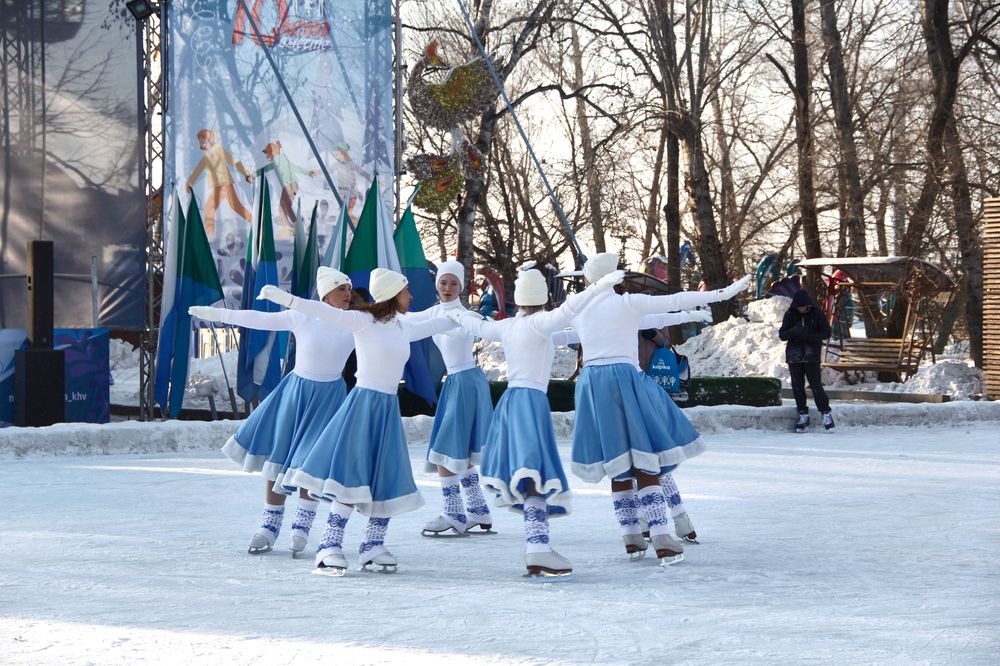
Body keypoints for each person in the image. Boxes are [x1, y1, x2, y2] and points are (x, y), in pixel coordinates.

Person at [258, 269, 456, 576]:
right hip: (363, 405)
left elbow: (439, 321)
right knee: (352, 473)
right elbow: (320, 309)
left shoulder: (402, 325)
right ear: (393, 294)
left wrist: (469, 317)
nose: (412, 296)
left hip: (387, 408)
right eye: (406, 291)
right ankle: (328, 546)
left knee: (385, 474)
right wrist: (286, 299)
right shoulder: (362, 321)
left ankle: (372, 545)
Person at [566, 253, 749, 566]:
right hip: (625, 381)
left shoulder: (577, 309)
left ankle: (631, 536)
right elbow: (671, 303)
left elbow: (554, 333)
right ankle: (663, 536)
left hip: (591, 386)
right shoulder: (625, 304)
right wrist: (720, 295)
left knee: (616, 460)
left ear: (587, 280)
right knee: (644, 458)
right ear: (616, 279)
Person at [449, 268, 626, 580]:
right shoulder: (542, 322)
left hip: (511, 402)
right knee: (534, 473)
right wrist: (599, 286)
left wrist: (453, 313)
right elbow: (571, 308)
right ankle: (537, 549)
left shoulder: (508, 326)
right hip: (531, 402)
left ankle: (538, 547)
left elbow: (474, 323)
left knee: (531, 473)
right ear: (543, 297)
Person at [188, 267, 355, 557]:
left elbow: (398, 324)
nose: (348, 294)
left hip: (330, 398)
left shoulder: (355, 322)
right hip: (296, 393)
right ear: (326, 292)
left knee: (310, 461)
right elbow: (259, 319)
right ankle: (270, 523)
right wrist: (220, 315)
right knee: (279, 455)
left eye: (349, 289)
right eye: (342, 288)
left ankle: (302, 524)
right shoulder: (303, 315)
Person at [554, 307, 711, 555]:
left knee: (644, 460)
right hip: (629, 385)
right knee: (644, 460)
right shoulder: (607, 313)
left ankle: (665, 523)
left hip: (641, 384)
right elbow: (575, 341)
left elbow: (664, 339)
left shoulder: (631, 310)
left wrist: (651, 333)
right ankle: (654, 526)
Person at [404, 261, 495, 537]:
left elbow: (489, 329)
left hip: (466, 382)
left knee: (445, 449)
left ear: (461, 286)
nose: (447, 288)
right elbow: (406, 320)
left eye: (453, 283)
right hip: (457, 382)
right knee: (458, 449)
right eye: (443, 282)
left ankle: (454, 513)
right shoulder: (435, 312)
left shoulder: (466, 316)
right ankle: (479, 511)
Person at [779, 289, 834, 432]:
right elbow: (782, 335)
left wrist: (810, 336)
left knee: (816, 385)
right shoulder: (790, 314)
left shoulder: (817, 314)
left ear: (808, 305)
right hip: (794, 356)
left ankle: (825, 412)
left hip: (811, 356)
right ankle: (803, 413)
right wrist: (794, 332)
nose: (800, 309)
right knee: (797, 386)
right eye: (798, 307)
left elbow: (826, 332)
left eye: (802, 307)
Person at [185, 129, 253, 236]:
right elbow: (199, 168)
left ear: (209, 140)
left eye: (203, 141)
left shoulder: (218, 150)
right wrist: (189, 182)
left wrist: (246, 174)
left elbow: (233, 161)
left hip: (224, 185)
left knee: (216, 207)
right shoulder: (207, 155)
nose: (201, 144)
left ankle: (209, 236)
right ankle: (209, 235)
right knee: (228, 207)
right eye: (200, 141)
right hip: (218, 186)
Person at [256, 141, 318, 229]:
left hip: (290, 185)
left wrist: (253, 175)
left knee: (286, 206)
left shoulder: (277, 161)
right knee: (282, 207)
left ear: (273, 152)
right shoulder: (281, 160)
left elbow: (265, 169)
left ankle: (297, 224)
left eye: (268, 153)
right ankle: (287, 224)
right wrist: (308, 173)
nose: (267, 156)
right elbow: (295, 167)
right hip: (292, 185)